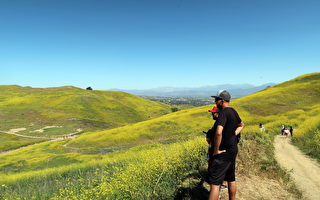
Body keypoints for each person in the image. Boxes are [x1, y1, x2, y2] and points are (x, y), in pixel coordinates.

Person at [208, 90, 244, 200]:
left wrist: (216, 150)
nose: (215, 102)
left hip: (222, 152)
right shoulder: (233, 111)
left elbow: (218, 132)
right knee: (231, 179)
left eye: (216, 100)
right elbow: (241, 125)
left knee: (215, 184)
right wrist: (233, 135)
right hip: (233, 150)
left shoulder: (223, 113)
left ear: (222, 101)